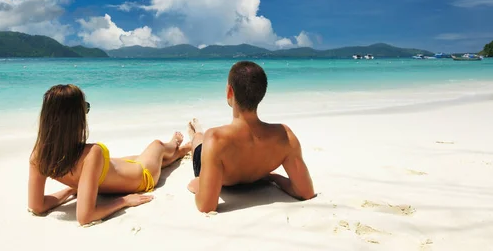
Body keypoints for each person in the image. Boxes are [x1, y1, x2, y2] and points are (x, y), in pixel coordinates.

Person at [28, 84, 191, 225]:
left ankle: (177, 154)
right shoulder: (91, 153)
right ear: (76, 119)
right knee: (157, 145)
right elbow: (85, 217)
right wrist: (124, 201)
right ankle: (176, 145)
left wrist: (72, 189)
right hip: (144, 175)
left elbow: (37, 206)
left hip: (120, 170)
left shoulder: (39, 156)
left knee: (138, 157)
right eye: (85, 108)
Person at [187, 61, 315, 212]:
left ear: (230, 92)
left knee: (198, 141)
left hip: (214, 165)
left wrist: (199, 186)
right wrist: (273, 177)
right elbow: (305, 192)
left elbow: (206, 206)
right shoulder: (285, 136)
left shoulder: (215, 138)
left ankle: (194, 133)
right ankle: (195, 131)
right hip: (256, 174)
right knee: (201, 138)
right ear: (262, 93)